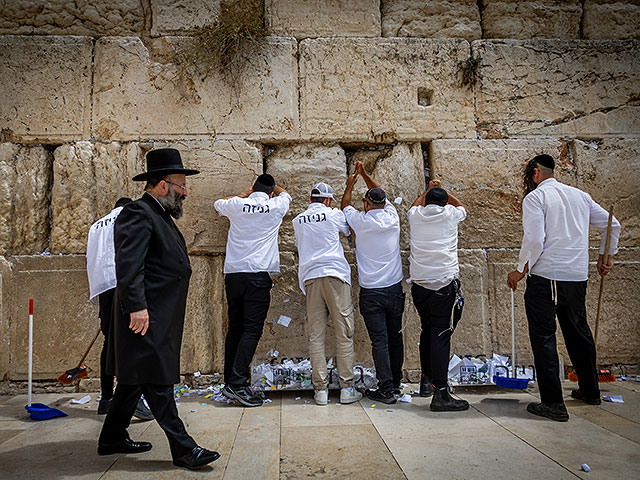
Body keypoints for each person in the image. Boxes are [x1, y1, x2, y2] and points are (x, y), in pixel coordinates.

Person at [98, 148, 220, 470]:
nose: (185, 192)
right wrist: (137, 307)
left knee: (134, 379)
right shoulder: (138, 212)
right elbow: (129, 265)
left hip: (160, 312)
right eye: (181, 185)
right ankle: (183, 449)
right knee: (158, 380)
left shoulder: (158, 214)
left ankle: (111, 437)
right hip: (146, 314)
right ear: (163, 185)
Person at [507, 154, 620, 422]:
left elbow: (535, 239)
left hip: (548, 277)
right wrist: (607, 257)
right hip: (576, 277)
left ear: (535, 173)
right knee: (578, 332)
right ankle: (591, 391)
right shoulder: (580, 196)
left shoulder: (536, 198)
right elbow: (612, 224)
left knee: (544, 337)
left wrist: (520, 270)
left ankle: (553, 404)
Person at [214, 174, 291, 407]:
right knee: (251, 330)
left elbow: (218, 203)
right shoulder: (275, 205)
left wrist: (244, 194)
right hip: (257, 275)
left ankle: (230, 381)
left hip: (234, 275)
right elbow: (286, 194)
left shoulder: (237, 205)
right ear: (270, 193)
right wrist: (272, 187)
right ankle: (238, 384)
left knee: (235, 328)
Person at [293, 182, 362, 406]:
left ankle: (320, 390)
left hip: (311, 278)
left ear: (311, 199)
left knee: (316, 336)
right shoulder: (333, 215)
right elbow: (347, 231)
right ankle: (346, 388)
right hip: (335, 276)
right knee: (344, 332)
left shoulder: (298, 220)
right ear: (328, 200)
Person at [341, 161, 405, 405]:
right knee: (395, 336)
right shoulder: (392, 216)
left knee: (380, 340)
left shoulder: (361, 221)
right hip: (394, 289)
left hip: (372, 293)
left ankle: (386, 388)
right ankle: (396, 383)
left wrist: (350, 184)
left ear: (366, 205)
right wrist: (366, 175)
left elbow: (345, 206)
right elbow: (380, 194)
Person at [86, 197, 153, 421]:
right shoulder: (130, 218)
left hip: (102, 286)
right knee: (133, 342)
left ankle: (106, 398)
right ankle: (131, 400)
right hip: (124, 284)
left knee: (110, 343)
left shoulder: (97, 225)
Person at [408, 180, 469, 412]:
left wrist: (427, 190)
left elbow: (415, 204)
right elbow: (462, 205)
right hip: (443, 284)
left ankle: (427, 380)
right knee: (441, 334)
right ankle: (441, 393)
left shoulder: (415, 215)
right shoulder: (450, 214)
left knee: (427, 331)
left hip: (420, 286)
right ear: (444, 204)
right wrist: (443, 190)